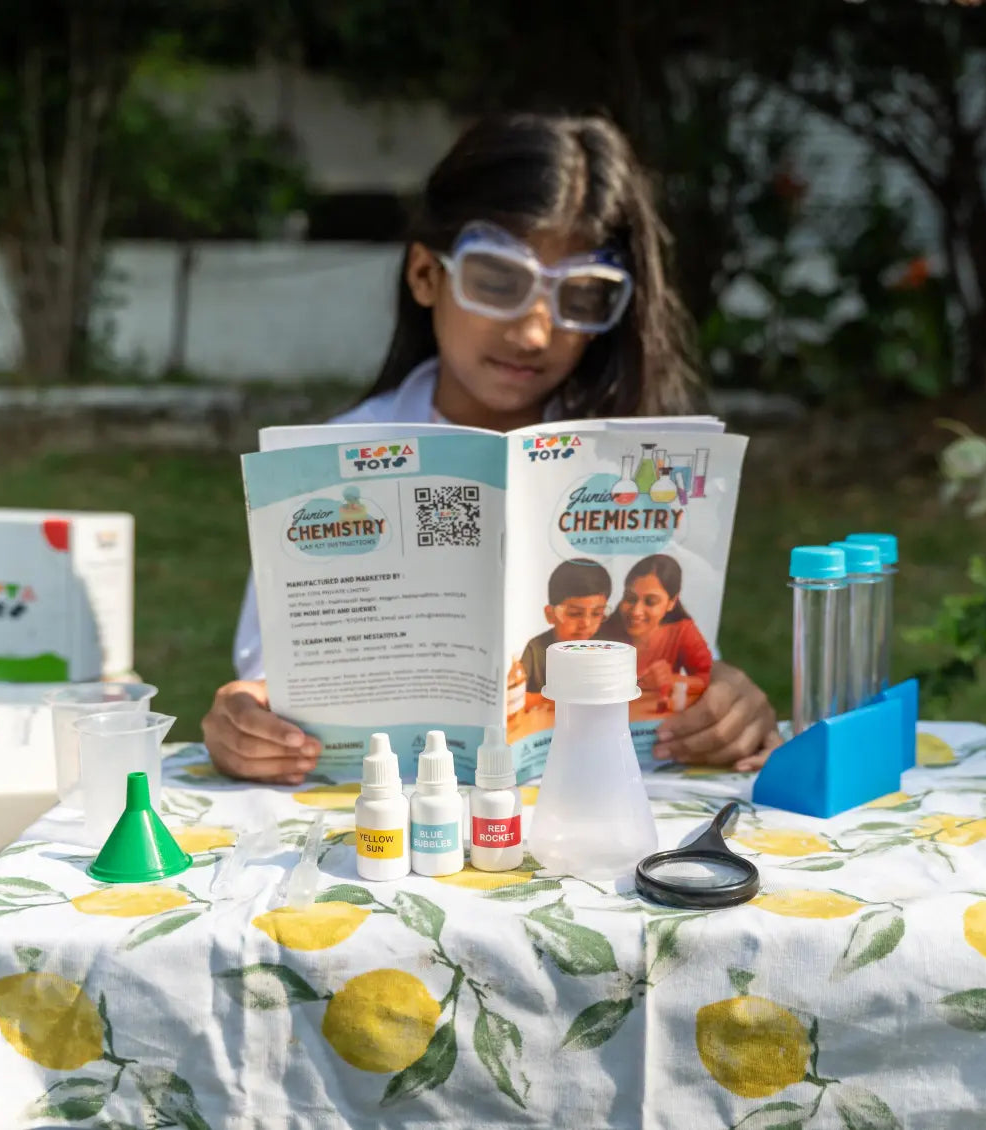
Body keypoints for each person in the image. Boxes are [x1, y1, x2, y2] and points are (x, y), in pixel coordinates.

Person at [202, 111, 779, 783]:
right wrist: (246, 717)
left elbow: (670, 670)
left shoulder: (636, 469)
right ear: (425, 274)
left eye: (582, 297)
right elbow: (273, 684)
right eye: (498, 282)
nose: (534, 334)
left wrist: (723, 706)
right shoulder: (328, 465)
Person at [600, 554, 712, 694]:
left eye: (651, 602)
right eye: (630, 598)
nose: (636, 611)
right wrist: (642, 683)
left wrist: (671, 681)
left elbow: (707, 678)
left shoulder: (681, 631)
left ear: (672, 602)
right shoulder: (603, 632)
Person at [521, 558, 613, 705]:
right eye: (575, 613)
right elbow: (514, 697)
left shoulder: (608, 646)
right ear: (550, 615)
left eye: (597, 613)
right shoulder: (535, 649)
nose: (586, 624)